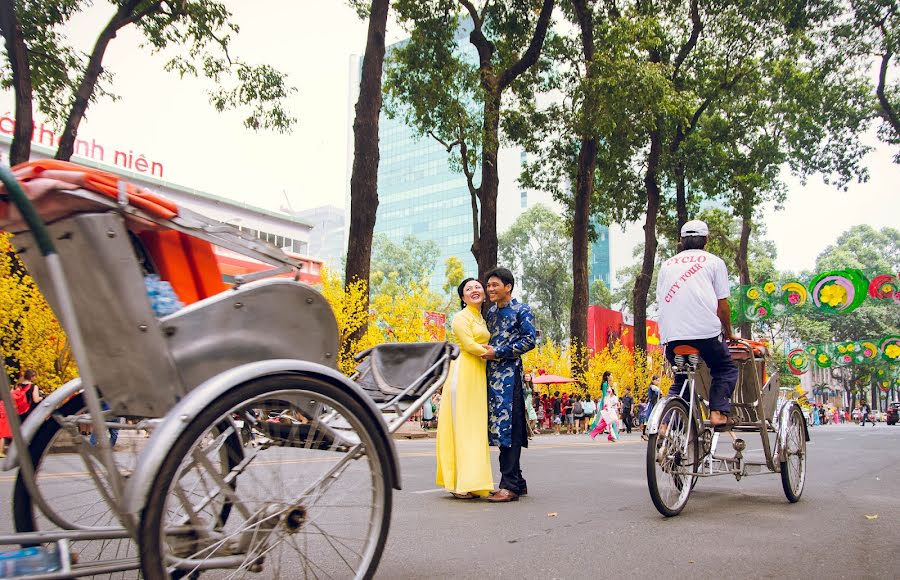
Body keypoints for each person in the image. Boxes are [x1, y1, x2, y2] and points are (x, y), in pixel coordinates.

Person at [656, 219, 738, 431]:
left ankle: (664, 424)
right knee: (725, 368)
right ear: (706, 240)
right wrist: (728, 333)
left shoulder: (666, 265)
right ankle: (718, 412)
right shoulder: (714, 262)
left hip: (672, 337)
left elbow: (661, 301)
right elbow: (722, 307)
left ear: (681, 241)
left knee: (681, 378)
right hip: (705, 335)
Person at [435, 278, 495, 499]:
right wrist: (493, 352)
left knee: (475, 427)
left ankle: (474, 481)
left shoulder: (481, 317)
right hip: (463, 372)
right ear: (463, 298)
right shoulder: (461, 317)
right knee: (463, 426)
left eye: (477, 287)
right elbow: (468, 345)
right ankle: (459, 483)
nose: (474, 290)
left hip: (478, 372)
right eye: (468, 289)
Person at [482, 267, 537, 503]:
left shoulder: (521, 310)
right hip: (490, 378)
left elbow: (530, 340)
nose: (490, 289)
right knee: (501, 429)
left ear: (508, 287)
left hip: (510, 377)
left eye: (495, 285)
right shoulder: (491, 313)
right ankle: (518, 481)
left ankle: (510, 485)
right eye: (489, 285)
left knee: (510, 429)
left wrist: (499, 352)